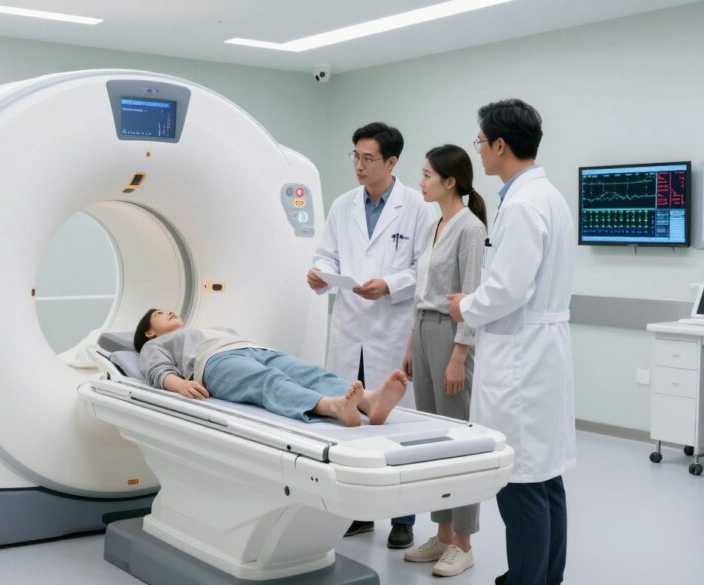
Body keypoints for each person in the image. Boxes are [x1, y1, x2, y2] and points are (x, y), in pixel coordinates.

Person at [446, 99, 575, 585]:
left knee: (520, 482)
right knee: (546, 476)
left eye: (480, 142)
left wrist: (465, 307)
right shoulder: (547, 197)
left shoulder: (523, 204)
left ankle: (528, 579)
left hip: (521, 355)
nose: (478, 151)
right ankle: (544, 575)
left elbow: (507, 290)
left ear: (500, 145)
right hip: (540, 349)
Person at [307, 122, 436, 548]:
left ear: (391, 162)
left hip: (391, 328)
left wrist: (390, 284)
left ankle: (403, 518)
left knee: (396, 428)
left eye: (368, 159)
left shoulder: (418, 208)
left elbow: (426, 269)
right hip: (350, 327)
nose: (359, 166)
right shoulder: (343, 205)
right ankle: (358, 513)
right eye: (355, 157)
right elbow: (326, 253)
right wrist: (319, 276)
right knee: (352, 423)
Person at [401, 145, 487, 578]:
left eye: (427, 175)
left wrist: (459, 356)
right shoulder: (433, 225)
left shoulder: (469, 229)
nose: (421, 181)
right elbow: (421, 292)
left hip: (451, 336)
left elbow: (471, 296)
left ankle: (465, 542)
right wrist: (409, 346)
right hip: (423, 329)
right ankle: (442, 532)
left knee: (459, 443)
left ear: (450, 181)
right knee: (434, 443)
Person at [133, 309, 409, 426]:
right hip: (215, 362)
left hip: (255, 349)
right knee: (268, 381)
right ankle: (333, 406)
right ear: (149, 332)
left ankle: (369, 401)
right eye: (159, 314)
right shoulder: (154, 346)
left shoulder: (208, 327)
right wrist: (180, 385)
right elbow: (158, 372)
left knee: (309, 372)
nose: (169, 312)